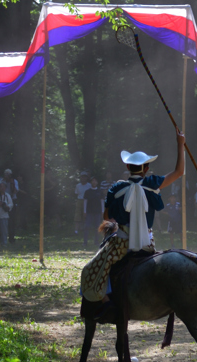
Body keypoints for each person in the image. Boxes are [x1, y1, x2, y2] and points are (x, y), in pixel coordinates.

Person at [79, 132, 185, 318]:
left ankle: (106, 303)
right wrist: (180, 144)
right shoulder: (153, 183)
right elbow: (178, 172)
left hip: (121, 245)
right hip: (148, 244)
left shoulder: (116, 188)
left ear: (128, 167)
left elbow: (106, 217)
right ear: (146, 169)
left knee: (90, 270)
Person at [82, 176, 105, 248]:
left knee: (97, 227)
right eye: (93, 181)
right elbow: (85, 202)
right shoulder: (87, 192)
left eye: (95, 181)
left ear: (97, 182)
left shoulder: (100, 191)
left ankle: (96, 242)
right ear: (91, 182)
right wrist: (84, 211)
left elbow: (102, 201)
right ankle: (85, 242)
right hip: (89, 212)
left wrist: (102, 211)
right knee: (87, 227)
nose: (94, 182)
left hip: (97, 212)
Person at [74, 171, 91, 236]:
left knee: (85, 215)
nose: (83, 178)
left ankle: (85, 229)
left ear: (86, 178)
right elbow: (76, 193)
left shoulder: (89, 185)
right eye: (82, 177)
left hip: (87, 201)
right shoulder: (78, 185)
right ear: (80, 178)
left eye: (85, 177)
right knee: (77, 215)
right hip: (79, 200)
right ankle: (76, 230)